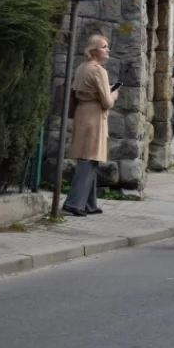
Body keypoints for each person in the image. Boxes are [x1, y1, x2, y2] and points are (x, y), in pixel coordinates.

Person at [63, 35, 118, 217]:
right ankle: (74, 202)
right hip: (94, 116)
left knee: (89, 159)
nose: (107, 50)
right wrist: (114, 94)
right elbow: (107, 102)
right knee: (88, 160)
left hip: (82, 114)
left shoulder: (81, 67)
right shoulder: (98, 71)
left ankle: (89, 203)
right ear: (93, 50)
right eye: (104, 46)